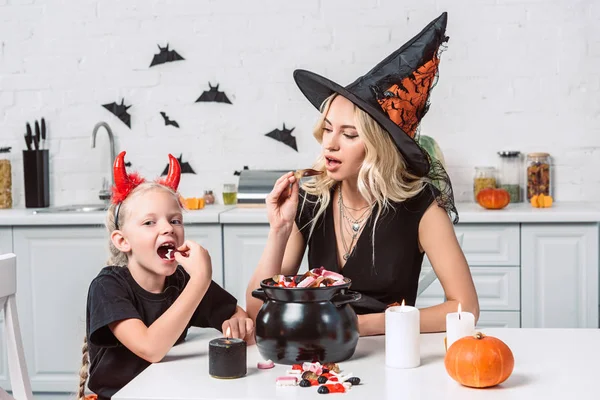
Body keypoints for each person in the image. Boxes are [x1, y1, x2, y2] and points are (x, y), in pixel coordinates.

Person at [246, 12, 479, 337]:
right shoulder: (310, 199)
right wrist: (280, 230)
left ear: (377, 146)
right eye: (327, 129)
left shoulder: (421, 207)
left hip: (394, 357)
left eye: (349, 135)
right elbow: (258, 310)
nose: (330, 144)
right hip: (324, 362)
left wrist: (361, 325)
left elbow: (465, 307)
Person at [78, 151, 254, 400]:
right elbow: (151, 348)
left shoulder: (181, 282)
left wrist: (237, 324)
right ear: (122, 241)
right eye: (149, 223)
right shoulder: (108, 287)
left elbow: (237, 315)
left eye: (175, 220)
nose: (168, 228)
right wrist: (201, 279)